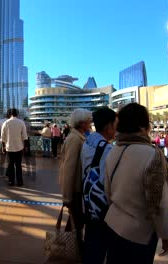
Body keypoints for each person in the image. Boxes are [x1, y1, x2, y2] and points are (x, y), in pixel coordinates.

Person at [104, 103, 168, 264]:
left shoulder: (113, 151)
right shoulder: (152, 154)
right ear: (144, 126)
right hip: (139, 233)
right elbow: (158, 201)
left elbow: (107, 190)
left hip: (113, 224)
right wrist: (166, 233)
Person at [80, 107, 117, 264]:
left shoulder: (88, 141)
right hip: (100, 209)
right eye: (116, 125)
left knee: (90, 243)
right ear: (108, 126)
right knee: (98, 249)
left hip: (87, 204)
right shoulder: (108, 149)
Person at [59, 108, 92, 255]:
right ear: (82, 123)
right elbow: (69, 168)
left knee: (76, 222)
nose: (90, 122)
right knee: (77, 223)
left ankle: (72, 249)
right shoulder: (74, 139)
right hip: (76, 190)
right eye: (88, 120)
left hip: (79, 189)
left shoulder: (80, 137)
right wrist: (67, 196)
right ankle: (73, 250)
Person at [1, 109, 27, 186]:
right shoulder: (21, 122)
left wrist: (3, 147)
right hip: (19, 147)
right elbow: (25, 137)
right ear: (17, 114)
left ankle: (11, 181)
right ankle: (19, 182)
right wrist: (24, 148)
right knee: (18, 165)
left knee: (10, 165)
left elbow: (3, 137)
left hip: (9, 148)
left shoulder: (6, 123)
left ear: (10, 114)